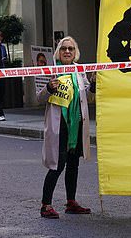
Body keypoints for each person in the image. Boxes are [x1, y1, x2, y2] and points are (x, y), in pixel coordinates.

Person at [37, 36, 93, 219]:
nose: (67, 51)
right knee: (57, 164)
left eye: (70, 49)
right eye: (63, 49)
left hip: (76, 125)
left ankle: (71, 202)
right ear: (58, 52)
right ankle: (46, 205)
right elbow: (39, 97)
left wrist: (93, 86)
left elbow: (89, 98)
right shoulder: (51, 70)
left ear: (75, 53)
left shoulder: (80, 72)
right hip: (59, 125)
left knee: (73, 164)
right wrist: (49, 88)